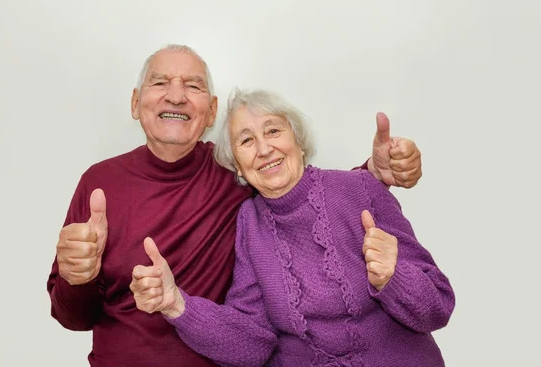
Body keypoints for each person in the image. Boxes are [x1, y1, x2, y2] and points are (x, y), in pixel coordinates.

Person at [47, 44, 423, 367]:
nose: (175, 96)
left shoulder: (234, 171)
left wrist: (373, 172)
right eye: (159, 82)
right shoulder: (99, 184)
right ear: (135, 102)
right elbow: (72, 317)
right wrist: (74, 276)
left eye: (192, 86)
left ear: (210, 113)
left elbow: (301, 192)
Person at [130, 88, 454, 366]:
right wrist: (176, 303)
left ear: (298, 141)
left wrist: (394, 277)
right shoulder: (249, 224)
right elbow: (252, 343)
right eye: (246, 140)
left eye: (273, 131)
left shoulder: (360, 189)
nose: (264, 148)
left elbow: (438, 307)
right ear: (238, 166)